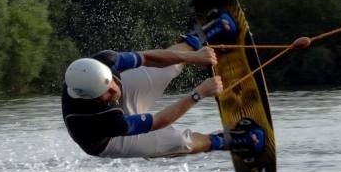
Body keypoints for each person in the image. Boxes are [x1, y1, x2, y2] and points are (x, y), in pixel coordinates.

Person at [61, 12, 302, 159]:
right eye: (108, 94)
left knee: (167, 65)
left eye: (113, 83)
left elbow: (150, 58)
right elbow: (158, 122)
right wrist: (198, 94)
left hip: (107, 107)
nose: (116, 91)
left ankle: (201, 36)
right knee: (178, 141)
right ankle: (229, 140)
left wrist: (193, 57)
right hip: (111, 140)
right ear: (93, 99)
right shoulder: (98, 121)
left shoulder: (105, 61)